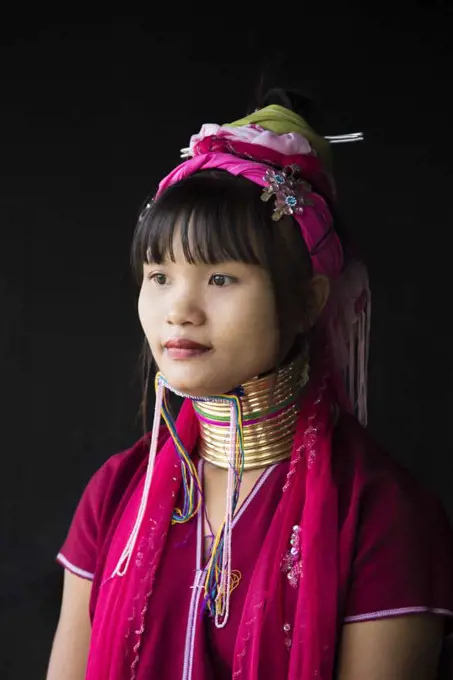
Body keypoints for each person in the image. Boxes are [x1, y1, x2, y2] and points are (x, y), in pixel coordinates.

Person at [46, 89, 453, 680]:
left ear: (307, 302)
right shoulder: (115, 496)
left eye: (220, 276)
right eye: (159, 275)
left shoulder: (381, 514)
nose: (179, 310)